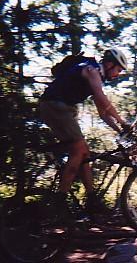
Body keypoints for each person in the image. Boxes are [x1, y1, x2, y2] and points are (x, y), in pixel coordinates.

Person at [39, 48, 130, 215]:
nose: (118, 74)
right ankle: (60, 200)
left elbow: (103, 113)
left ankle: (92, 200)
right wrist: (123, 121)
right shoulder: (91, 70)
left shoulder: (96, 76)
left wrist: (119, 129)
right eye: (118, 69)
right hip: (55, 106)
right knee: (78, 149)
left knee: (84, 153)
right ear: (109, 64)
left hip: (61, 107)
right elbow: (102, 98)